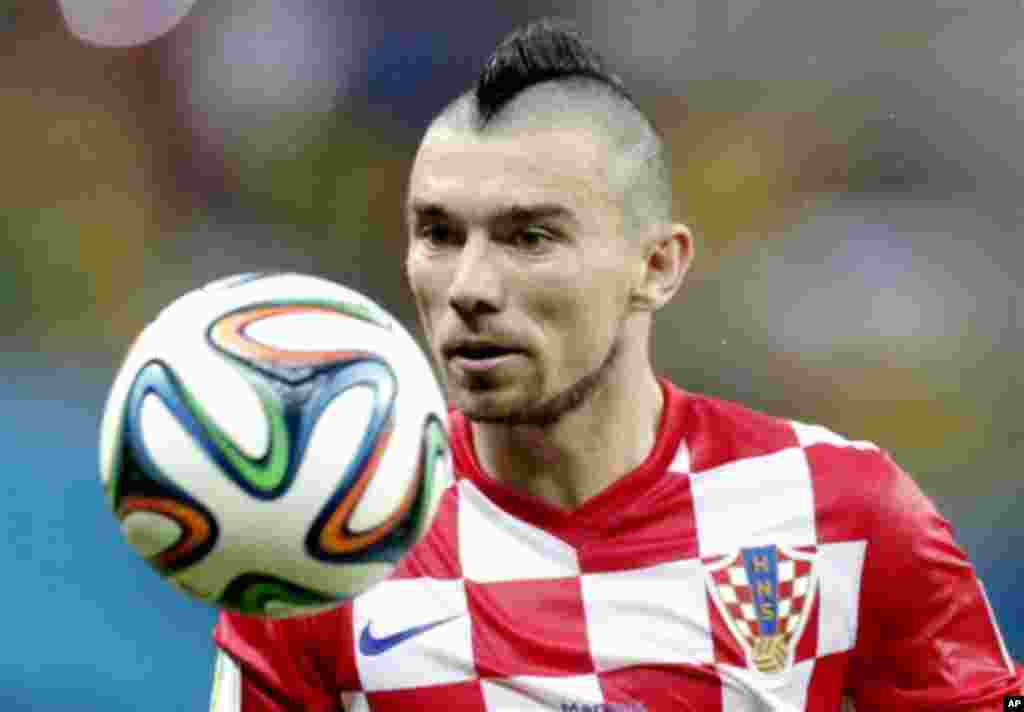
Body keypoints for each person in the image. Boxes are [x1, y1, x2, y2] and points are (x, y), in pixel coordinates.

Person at [210, 18, 1023, 711]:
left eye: (531, 237)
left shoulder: (845, 510)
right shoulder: (324, 550)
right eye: (440, 234)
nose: (469, 288)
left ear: (658, 267)